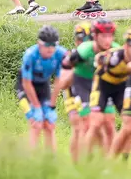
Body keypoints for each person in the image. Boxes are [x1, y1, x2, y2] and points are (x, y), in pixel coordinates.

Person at [50, 18, 120, 162]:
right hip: (76, 86)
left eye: (85, 39)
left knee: (107, 123)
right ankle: (79, 163)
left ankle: (107, 162)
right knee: (81, 125)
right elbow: (63, 81)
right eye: (79, 39)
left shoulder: (112, 49)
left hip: (98, 86)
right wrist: (54, 99)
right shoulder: (81, 52)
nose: (81, 42)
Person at [83, 26, 131, 158]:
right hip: (102, 84)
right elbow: (98, 59)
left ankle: (123, 161)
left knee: (130, 123)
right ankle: (85, 158)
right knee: (96, 123)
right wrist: (102, 60)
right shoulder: (115, 56)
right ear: (126, 46)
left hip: (120, 86)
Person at [16, 25, 68, 153]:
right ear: (39, 44)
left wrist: (52, 106)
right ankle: (31, 159)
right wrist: (37, 106)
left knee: (49, 125)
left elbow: (58, 81)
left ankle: (51, 159)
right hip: (25, 87)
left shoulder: (60, 53)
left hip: (43, 85)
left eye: (53, 45)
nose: (50, 49)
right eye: (47, 45)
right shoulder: (30, 55)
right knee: (36, 123)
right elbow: (26, 83)